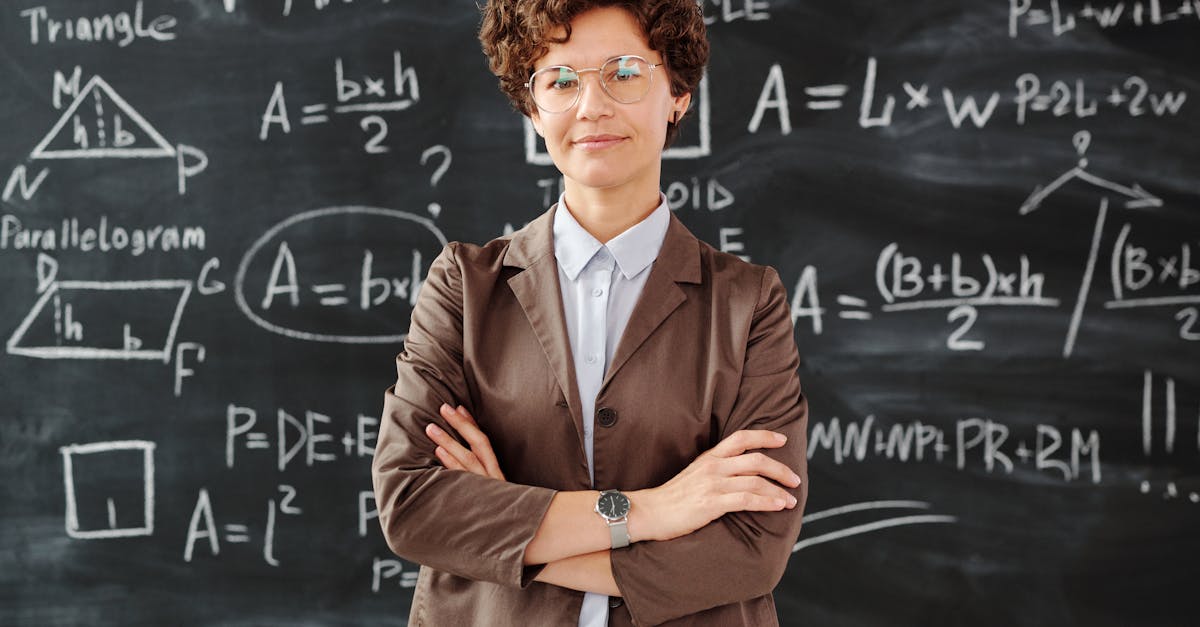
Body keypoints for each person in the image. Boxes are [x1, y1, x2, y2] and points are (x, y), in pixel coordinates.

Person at [371, 1, 809, 625]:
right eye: (562, 80)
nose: (591, 106)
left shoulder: (748, 302)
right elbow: (414, 505)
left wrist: (508, 536)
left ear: (677, 94)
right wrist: (653, 510)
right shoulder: (465, 286)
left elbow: (749, 550)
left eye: (624, 72)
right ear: (532, 106)